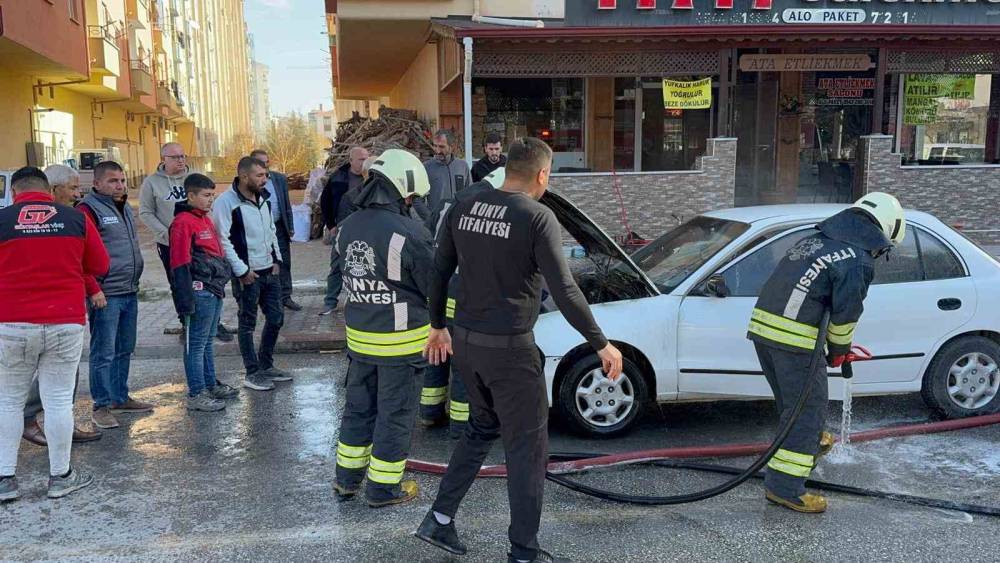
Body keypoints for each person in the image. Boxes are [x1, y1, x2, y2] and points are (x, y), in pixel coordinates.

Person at [417, 138, 623, 563]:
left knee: (480, 429)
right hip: (510, 351)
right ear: (543, 174)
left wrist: (438, 326)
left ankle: (438, 519)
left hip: (468, 344)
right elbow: (564, 289)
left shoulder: (466, 205)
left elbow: (440, 270)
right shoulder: (536, 216)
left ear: (507, 167)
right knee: (527, 452)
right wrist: (600, 342)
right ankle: (524, 553)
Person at [747, 192, 905, 514]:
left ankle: (807, 445)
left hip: (764, 333)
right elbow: (845, 317)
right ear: (883, 231)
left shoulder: (817, 240)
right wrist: (839, 352)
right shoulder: (857, 260)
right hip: (795, 342)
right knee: (807, 412)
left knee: (795, 411)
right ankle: (786, 489)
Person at [331, 149, 435, 508]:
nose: (413, 202)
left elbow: (341, 276)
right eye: (412, 197)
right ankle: (383, 488)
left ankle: (346, 480)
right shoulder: (409, 231)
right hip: (401, 345)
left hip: (360, 342)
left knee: (358, 409)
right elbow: (431, 288)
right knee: (396, 415)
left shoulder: (347, 227)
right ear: (404, 191)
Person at [0, 166, 109, 501]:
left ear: (15, 192)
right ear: (48, 190)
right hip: (65, 321)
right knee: (58, 401)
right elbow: (101, 266)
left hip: (12, 323)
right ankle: (60, 476)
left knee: (8, 401)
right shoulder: (74, 218)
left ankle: (5, 480)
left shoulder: (3, 220)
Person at [418, 167, 506, 436]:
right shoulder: (489, 208)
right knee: (463, 360)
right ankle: (461, 424)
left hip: (441, 289)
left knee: (438, 353)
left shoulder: (455, 200)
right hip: (465, 292)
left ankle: (430, 413)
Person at [20, 165, 103, 446]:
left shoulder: (69, 217)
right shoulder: (57, 220)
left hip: (59, 311)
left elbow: (80, 262)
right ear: (52, 190)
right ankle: (32, 419)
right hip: (37, 314)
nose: (77, 193)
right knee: (53, 374)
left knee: (64, 372)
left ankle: (55, 425)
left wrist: (91, 288)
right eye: (71, 188)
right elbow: (90, 262)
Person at [80, 161, 153, 430]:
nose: (120, 185)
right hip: (106, 294)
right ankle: (100, 406)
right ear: (96, 183)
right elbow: (82, 255)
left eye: (122, 180)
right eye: (112, 181)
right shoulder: (87, 210)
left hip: (129, 289)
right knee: (103, 352)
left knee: (125, 348)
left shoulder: (123, 207)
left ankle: (119, 398)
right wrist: (94, 288)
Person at [138, 143, 233, 343]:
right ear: (163, 158)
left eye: (182, 156)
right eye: (175, 157)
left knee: (209, 280)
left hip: (200, 242)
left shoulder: (195, 178)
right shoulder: (152, 183)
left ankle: (214, 322)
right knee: (179, 282)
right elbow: (146, 212)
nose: (180, 160)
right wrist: (166, 234)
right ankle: (186, 321)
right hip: (169, 243)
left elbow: (210, 206)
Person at [212, 157, 290, 392]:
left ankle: (266, 365)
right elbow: (222, 239)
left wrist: (277, 260)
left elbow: (271, 230)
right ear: (244, 176)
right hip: (248, 274)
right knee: (247, 323)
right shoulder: (226, 202)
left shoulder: (263, 198)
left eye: (266, 175)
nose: (265, 180)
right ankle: (252, 372)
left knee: (276, 318)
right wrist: (242, 270)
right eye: (259, 175)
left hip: (269, 270)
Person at [169, 174, 241, 412]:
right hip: (199, 292)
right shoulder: (183, 222)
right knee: (196, 344)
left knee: (207, 342)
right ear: (190, 196)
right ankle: (196, 392)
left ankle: (210, 384)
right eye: (206, 195)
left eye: (213, 195)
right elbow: (179, 263)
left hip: (213, 289)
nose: (211, 200)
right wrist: (185, 300)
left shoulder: (204, 219)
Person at [319, 147, 369, 317]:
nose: (365, 162)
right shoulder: (338, 178)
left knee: (364, 266)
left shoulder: (372, 178)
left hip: (366, 230)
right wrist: (331, 225)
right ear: (351, 161)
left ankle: (360, 300)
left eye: (366, 158)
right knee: (336, 266)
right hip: (342, 229)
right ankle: (330, 302)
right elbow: (324, 202)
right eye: (361, 159)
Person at [250, 149, 300, 311]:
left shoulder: (279, 179)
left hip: (279, 227)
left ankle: (286, 296)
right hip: (258, 229)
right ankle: (266, 298)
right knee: (265, 263)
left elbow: (286, 203)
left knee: (284, 262)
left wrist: (290, 225)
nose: (265, 165)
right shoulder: (249, 181)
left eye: (267, 161)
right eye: (261, 162)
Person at [414, 130, 470, 220]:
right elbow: (417, 200)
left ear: (451, 147)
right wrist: (431, 219)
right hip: (437, 224)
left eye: (442, 147)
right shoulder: (426, 168)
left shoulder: (463, 166)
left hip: (459, 221)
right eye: (435, 146)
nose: (437, 150)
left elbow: (470, 194)